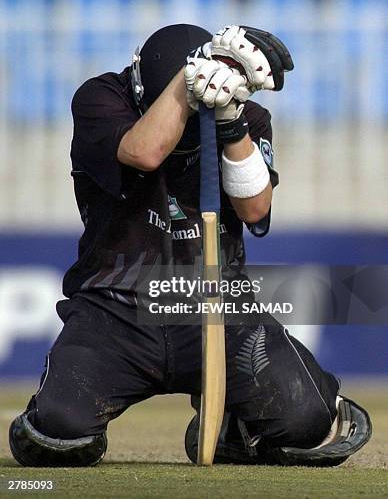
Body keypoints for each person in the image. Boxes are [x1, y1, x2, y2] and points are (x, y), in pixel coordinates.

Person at [9, 24, 370, 467]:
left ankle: (233, 431)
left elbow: (255, 210)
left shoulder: (247, 115)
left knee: (310, 422)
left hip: (217, 306)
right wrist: (190, 77)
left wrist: (230, 122)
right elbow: (145, 152)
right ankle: (64, 419)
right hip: (114, 308)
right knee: (56, 434)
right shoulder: (101, 99)